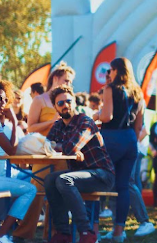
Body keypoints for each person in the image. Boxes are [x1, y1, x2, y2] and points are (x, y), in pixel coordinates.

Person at [45, 85, 115, 243]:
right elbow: (46, 145)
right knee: (50, 179)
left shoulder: (85, 121)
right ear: (55, 107)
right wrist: (58, 146)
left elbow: (70, 148)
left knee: (64, 180)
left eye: (68, 101)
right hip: (80, 174)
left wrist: (59, 146)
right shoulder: (58, 125)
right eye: (60, 103)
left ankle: (86, 233)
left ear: (74, 102)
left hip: (102, 175)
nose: (65, 105)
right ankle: (63, 233)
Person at [16, 63, 75, 242]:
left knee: (60, 194)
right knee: (36, 192)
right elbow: (31, 128)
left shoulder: (68, 100)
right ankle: (23, 233)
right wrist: (53, 121)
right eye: (67, 80)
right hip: (42, 154)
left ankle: (54, 233)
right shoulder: (40, 100)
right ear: (55, 78)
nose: (69, 84)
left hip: (61, 154)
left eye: (71, 82)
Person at [97, 58, 150, 242]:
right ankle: (119, 232)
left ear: (116, 70)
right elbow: (139, 125)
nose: (108, 73)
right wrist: (131, 141)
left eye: (110, 70)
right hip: (129, 139)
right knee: (123, 186)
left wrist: (95, 115)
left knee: (99, 181)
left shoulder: (111, 88)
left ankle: (93, 231)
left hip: (112, 138)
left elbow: (106, 116)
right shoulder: (138, 92)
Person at [0, 79, 37, 243]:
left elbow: (17, 149)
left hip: (9, 172)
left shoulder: (4, 124)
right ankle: (3, 233)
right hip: (2, 175)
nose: (1, 102)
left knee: (39, 179)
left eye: (3, 99)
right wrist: (15, 122)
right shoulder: (8, 124)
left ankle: (20, 230)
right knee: (30, 190)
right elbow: (12, 151)